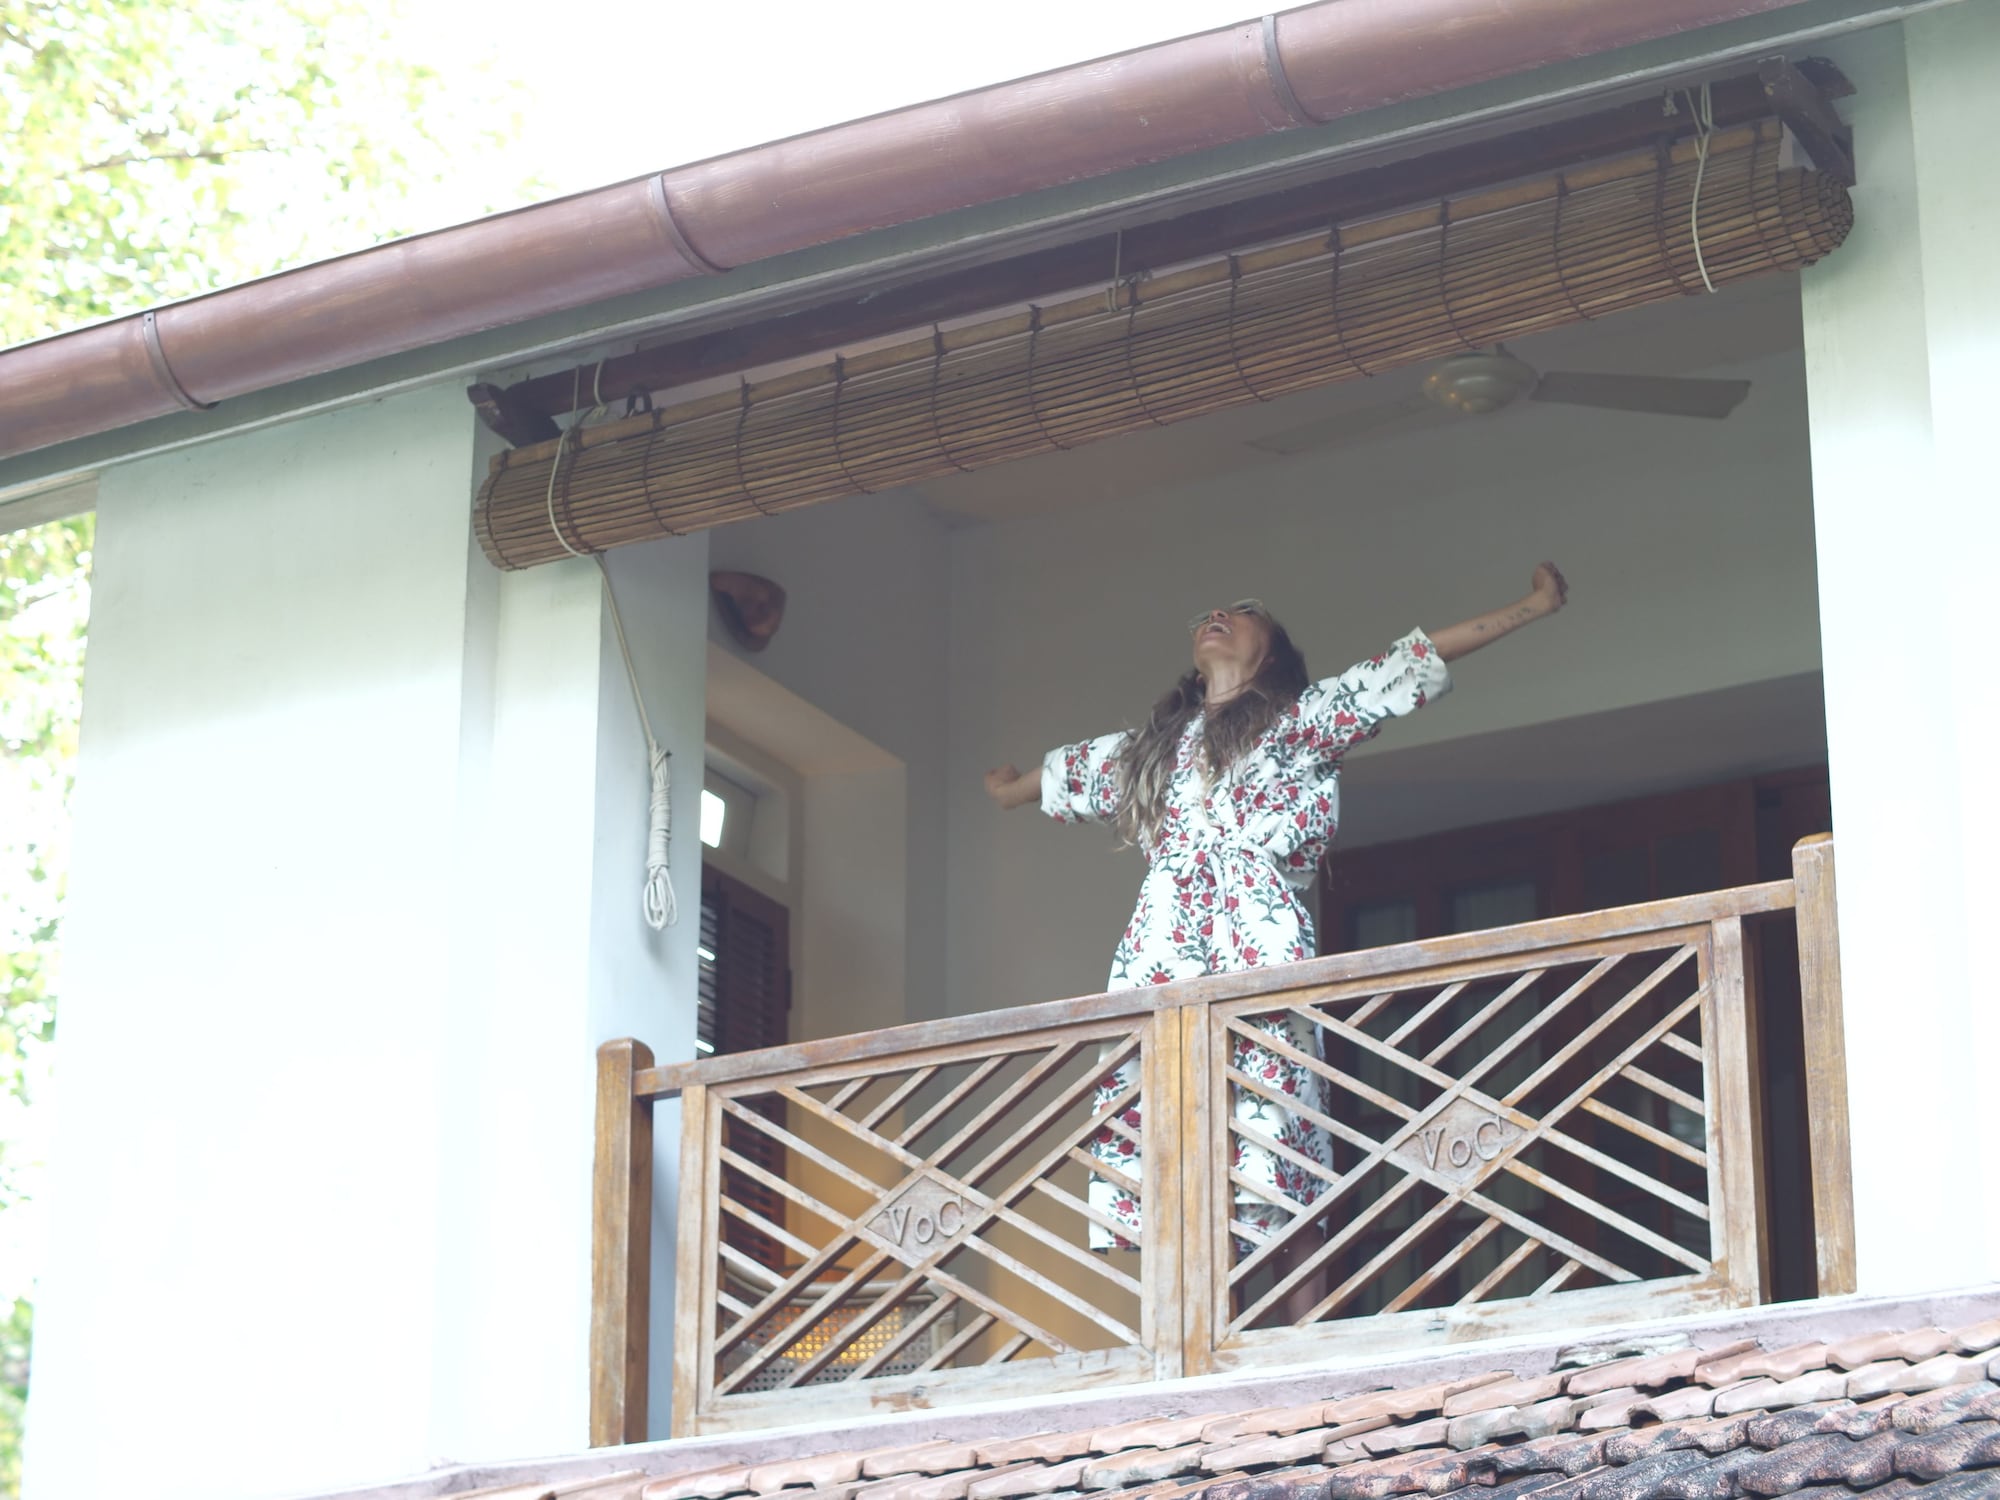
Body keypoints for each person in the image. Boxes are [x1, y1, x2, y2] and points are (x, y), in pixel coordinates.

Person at [982, 564, 1568, 1254]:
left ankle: (1294, 1294)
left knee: (1272, 1118)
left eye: (1242, 610)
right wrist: (1009, 789)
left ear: (1272, 653)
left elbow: (1406, 666)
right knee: (1169, 1118)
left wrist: (1532, 607)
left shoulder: (1301, 721)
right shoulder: (1151, 750)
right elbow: (1063, 775)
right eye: (1208, 612)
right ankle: (1193, 1298)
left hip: (1258, 936)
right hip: (1161, 948)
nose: (1217, 614)